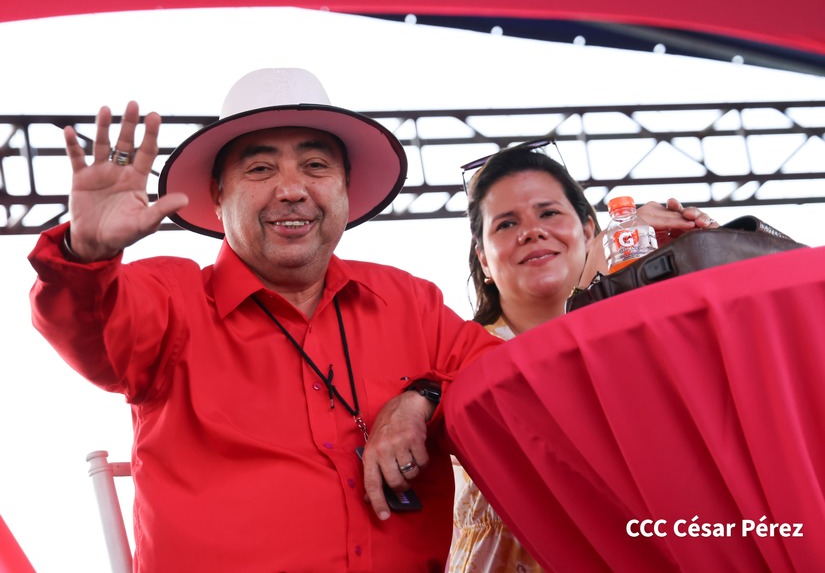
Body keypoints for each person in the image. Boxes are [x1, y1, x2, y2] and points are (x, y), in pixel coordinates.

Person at [28, 67, 502, 572]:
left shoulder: (407, 301)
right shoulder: (171, 301)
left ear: (345, 186)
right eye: (260, 169)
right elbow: (88, 327)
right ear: (218, 195)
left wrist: (420, 398)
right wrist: (86, 256)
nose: (292, 190)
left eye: (315, 165)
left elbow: (508, 384)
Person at [448, 142, 717, 571]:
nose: (532, 231)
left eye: (548, 213)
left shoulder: (641, 341)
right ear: (483, 259)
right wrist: (594, 277)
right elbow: (547, 432)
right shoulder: (455, 356)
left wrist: (701, 254)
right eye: (506, 223)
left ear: (589, 230)